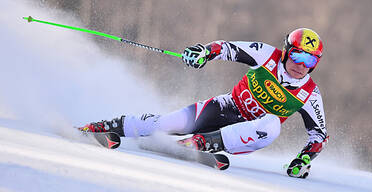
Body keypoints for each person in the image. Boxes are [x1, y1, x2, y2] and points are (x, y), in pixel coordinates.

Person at [79, 28, 328, 179]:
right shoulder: (266, 55)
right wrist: (203, 52)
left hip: (247, 133)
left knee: (273, 124)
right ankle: (100, 128)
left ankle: (202, 143)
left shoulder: (310, 94)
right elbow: (227, 48)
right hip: (225, 107)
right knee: (168, 123)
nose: (301, 64)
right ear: (286, 51)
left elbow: (319, 137)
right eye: (297, 55)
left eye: (310, 60)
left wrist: (301, 161)